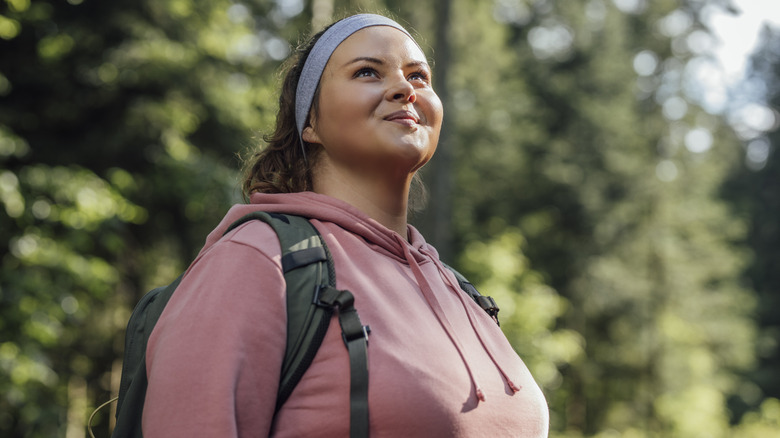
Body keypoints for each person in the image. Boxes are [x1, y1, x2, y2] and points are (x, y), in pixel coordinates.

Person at [142, 13, 549, 437]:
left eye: (419, 76)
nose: (404, 89)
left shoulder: (460, 292)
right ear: (309, 123)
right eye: (368, 71)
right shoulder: (259, 261)